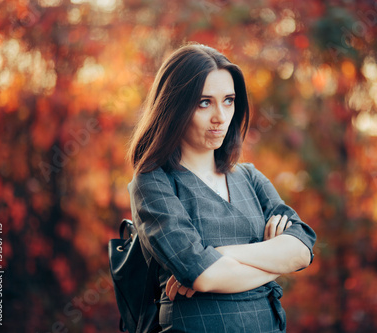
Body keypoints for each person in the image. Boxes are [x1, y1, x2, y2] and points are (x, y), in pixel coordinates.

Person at [127, 43, 316, 332]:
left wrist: (220, 253)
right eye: (205, 102)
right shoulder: (153, 182)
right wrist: (274, 258)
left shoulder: (249, 177)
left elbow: (302, 250)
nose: (221, 116)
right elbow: (203, 275)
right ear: (175, 107)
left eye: (228, 100)